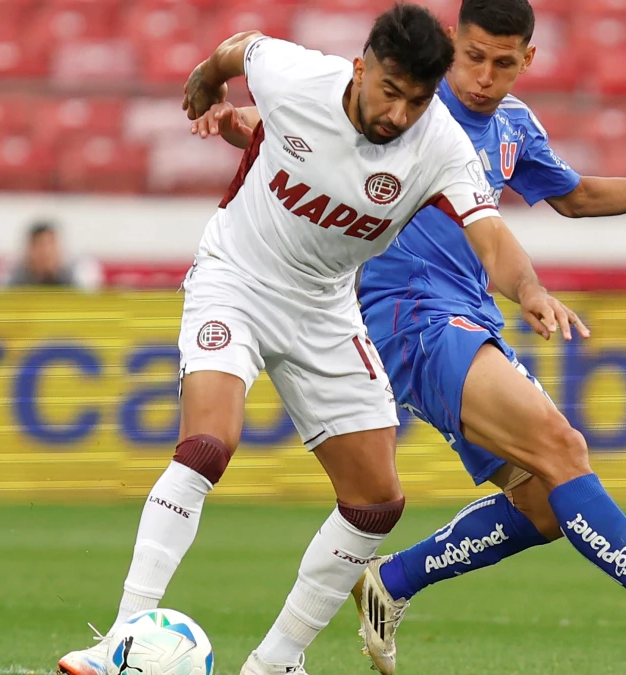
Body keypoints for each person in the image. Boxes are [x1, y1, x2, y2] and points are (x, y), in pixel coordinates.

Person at [195, 0, 626, 670]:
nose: (483, 77)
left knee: (544, 505)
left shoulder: (515, 128)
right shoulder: (410, 113)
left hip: (466, 316)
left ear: (528, 61)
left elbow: (574, 196)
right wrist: (240, 123)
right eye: (472, 57)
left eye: (502, 62)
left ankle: (390, 581)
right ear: (450, 45)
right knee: (562, 446)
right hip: (410, 317)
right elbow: (304, 125)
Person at [58, 5, 587, 675]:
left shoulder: (442, 143)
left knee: (376, 500)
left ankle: (276, 661)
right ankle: (122, 639)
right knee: (208, 443)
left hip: (327, 308)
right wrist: (204, 79)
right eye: (389, 92)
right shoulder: (298, 75)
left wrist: (532, 289)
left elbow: (493, 237)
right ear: (362, 68)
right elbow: (239, 48)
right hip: (238, 279)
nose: (398, 114)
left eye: (417, 100)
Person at [0, 221, 104, 291]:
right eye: (39, 245)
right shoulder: (11, 269)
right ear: (29, 248)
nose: (45, 252)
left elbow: (89, 301)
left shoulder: (79, 267)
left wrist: (57, 276)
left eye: (50, 244)